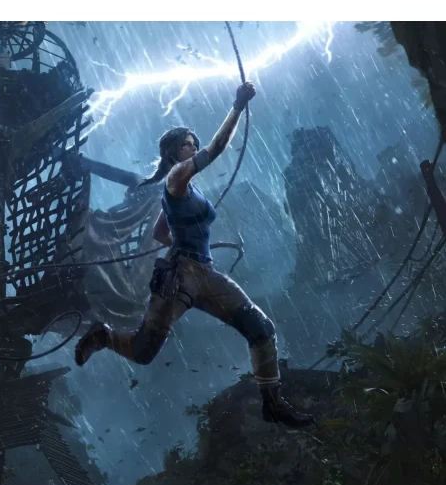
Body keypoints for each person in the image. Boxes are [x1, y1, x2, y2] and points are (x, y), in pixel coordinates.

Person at [74, 80, 314, 427]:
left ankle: (272, 403)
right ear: (174, 152)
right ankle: (104, 336)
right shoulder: (176, 177)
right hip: (180, 278)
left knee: (261, 328)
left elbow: (160, 232)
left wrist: (188, 240)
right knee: (143, 352)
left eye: (193, 143)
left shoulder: (186, 188)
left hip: (205, 272)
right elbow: (217, 148)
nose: (194, 147)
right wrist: (237, 106)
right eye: (187, 143)